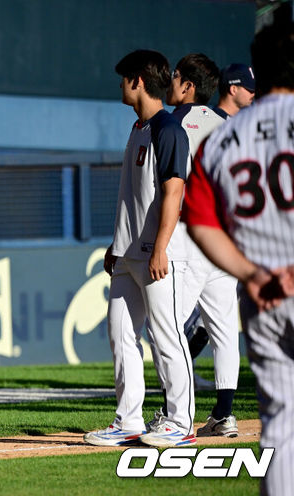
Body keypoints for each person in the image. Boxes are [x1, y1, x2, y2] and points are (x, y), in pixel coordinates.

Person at [184, 21, 294, 495]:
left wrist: (251, 274)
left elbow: (201, 220)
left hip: (263, 293)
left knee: (282, 427)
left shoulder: (222, 139)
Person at [83, 49, 195, 448]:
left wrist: (161, 246)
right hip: (128, 254)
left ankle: (179, 422)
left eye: (124, 77)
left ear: (139, 81)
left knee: (166, 337)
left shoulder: (169, 129)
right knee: (121, 335)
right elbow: (132, 196)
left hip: (157, 255)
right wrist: (117, 244)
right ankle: (128, 421)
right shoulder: (138, 129)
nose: (120, 84)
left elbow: (173, 192)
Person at [165, 53, 240, 438]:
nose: (170, 81)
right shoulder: (227, 126)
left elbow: (166, 185)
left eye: (175, 76)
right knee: (224, 328)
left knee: (169, 327)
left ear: (189, 86)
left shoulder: (174, 122)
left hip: (188, 236)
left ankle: (172, 413)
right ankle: (224, 414)